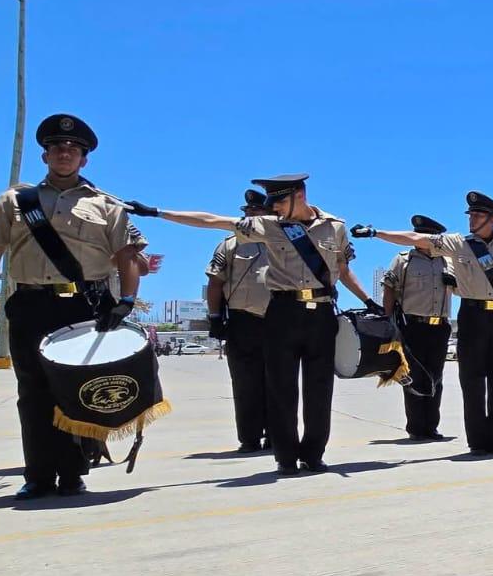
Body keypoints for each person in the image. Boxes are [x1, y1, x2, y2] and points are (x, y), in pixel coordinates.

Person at [129, 174, 377, 473]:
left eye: (280, 201)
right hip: (283, 312)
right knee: (281, 388)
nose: (275, 208)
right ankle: (286, 456)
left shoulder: (335, 227)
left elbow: (343, 270)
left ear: (300, 194)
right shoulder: (269, 226)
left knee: (320, 388)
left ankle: (313, 454)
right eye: (272, 203)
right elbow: (212, 220)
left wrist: (368, 301)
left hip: (322, 314)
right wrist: (158, 212)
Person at [0, 114, 144, 498]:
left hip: (82, 307)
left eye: (73, 149)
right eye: (57, 147)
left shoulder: (107, 205)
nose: (64, 152)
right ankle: (38, 476)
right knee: (33, 391)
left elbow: (127, 254)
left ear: (84, 160)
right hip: (31, 303)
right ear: (45, 155)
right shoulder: (14, 202)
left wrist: (127, 301)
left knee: (77, 390)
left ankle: (72, 473)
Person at [358, 192, 493, 455]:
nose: (471, 219)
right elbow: (417, 239)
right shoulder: (457, 243)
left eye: (477, 215)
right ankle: (477, 441)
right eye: (471, 215)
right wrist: (376, 232)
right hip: (471, 316)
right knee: (472, 380)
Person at [205, 189, 273, 452]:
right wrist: (214, 317)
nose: (250, 217)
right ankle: (250, 437)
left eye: (256, 213)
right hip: (243, 322)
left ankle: (277, 434)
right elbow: (215, 282)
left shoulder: (285, 242)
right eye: (247, 213)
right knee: (245, 382)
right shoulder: (229, 244)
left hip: (278, 322)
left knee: (278, 382)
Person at [380, 215, 456, 440]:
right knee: (412, 376)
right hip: (413, 325)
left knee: (436, 377)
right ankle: (416, 426)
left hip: (440, 326)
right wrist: (388, 322)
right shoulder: (403, 260)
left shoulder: (447, 261)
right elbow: (389, 289)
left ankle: (431, 426)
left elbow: (462, 288)